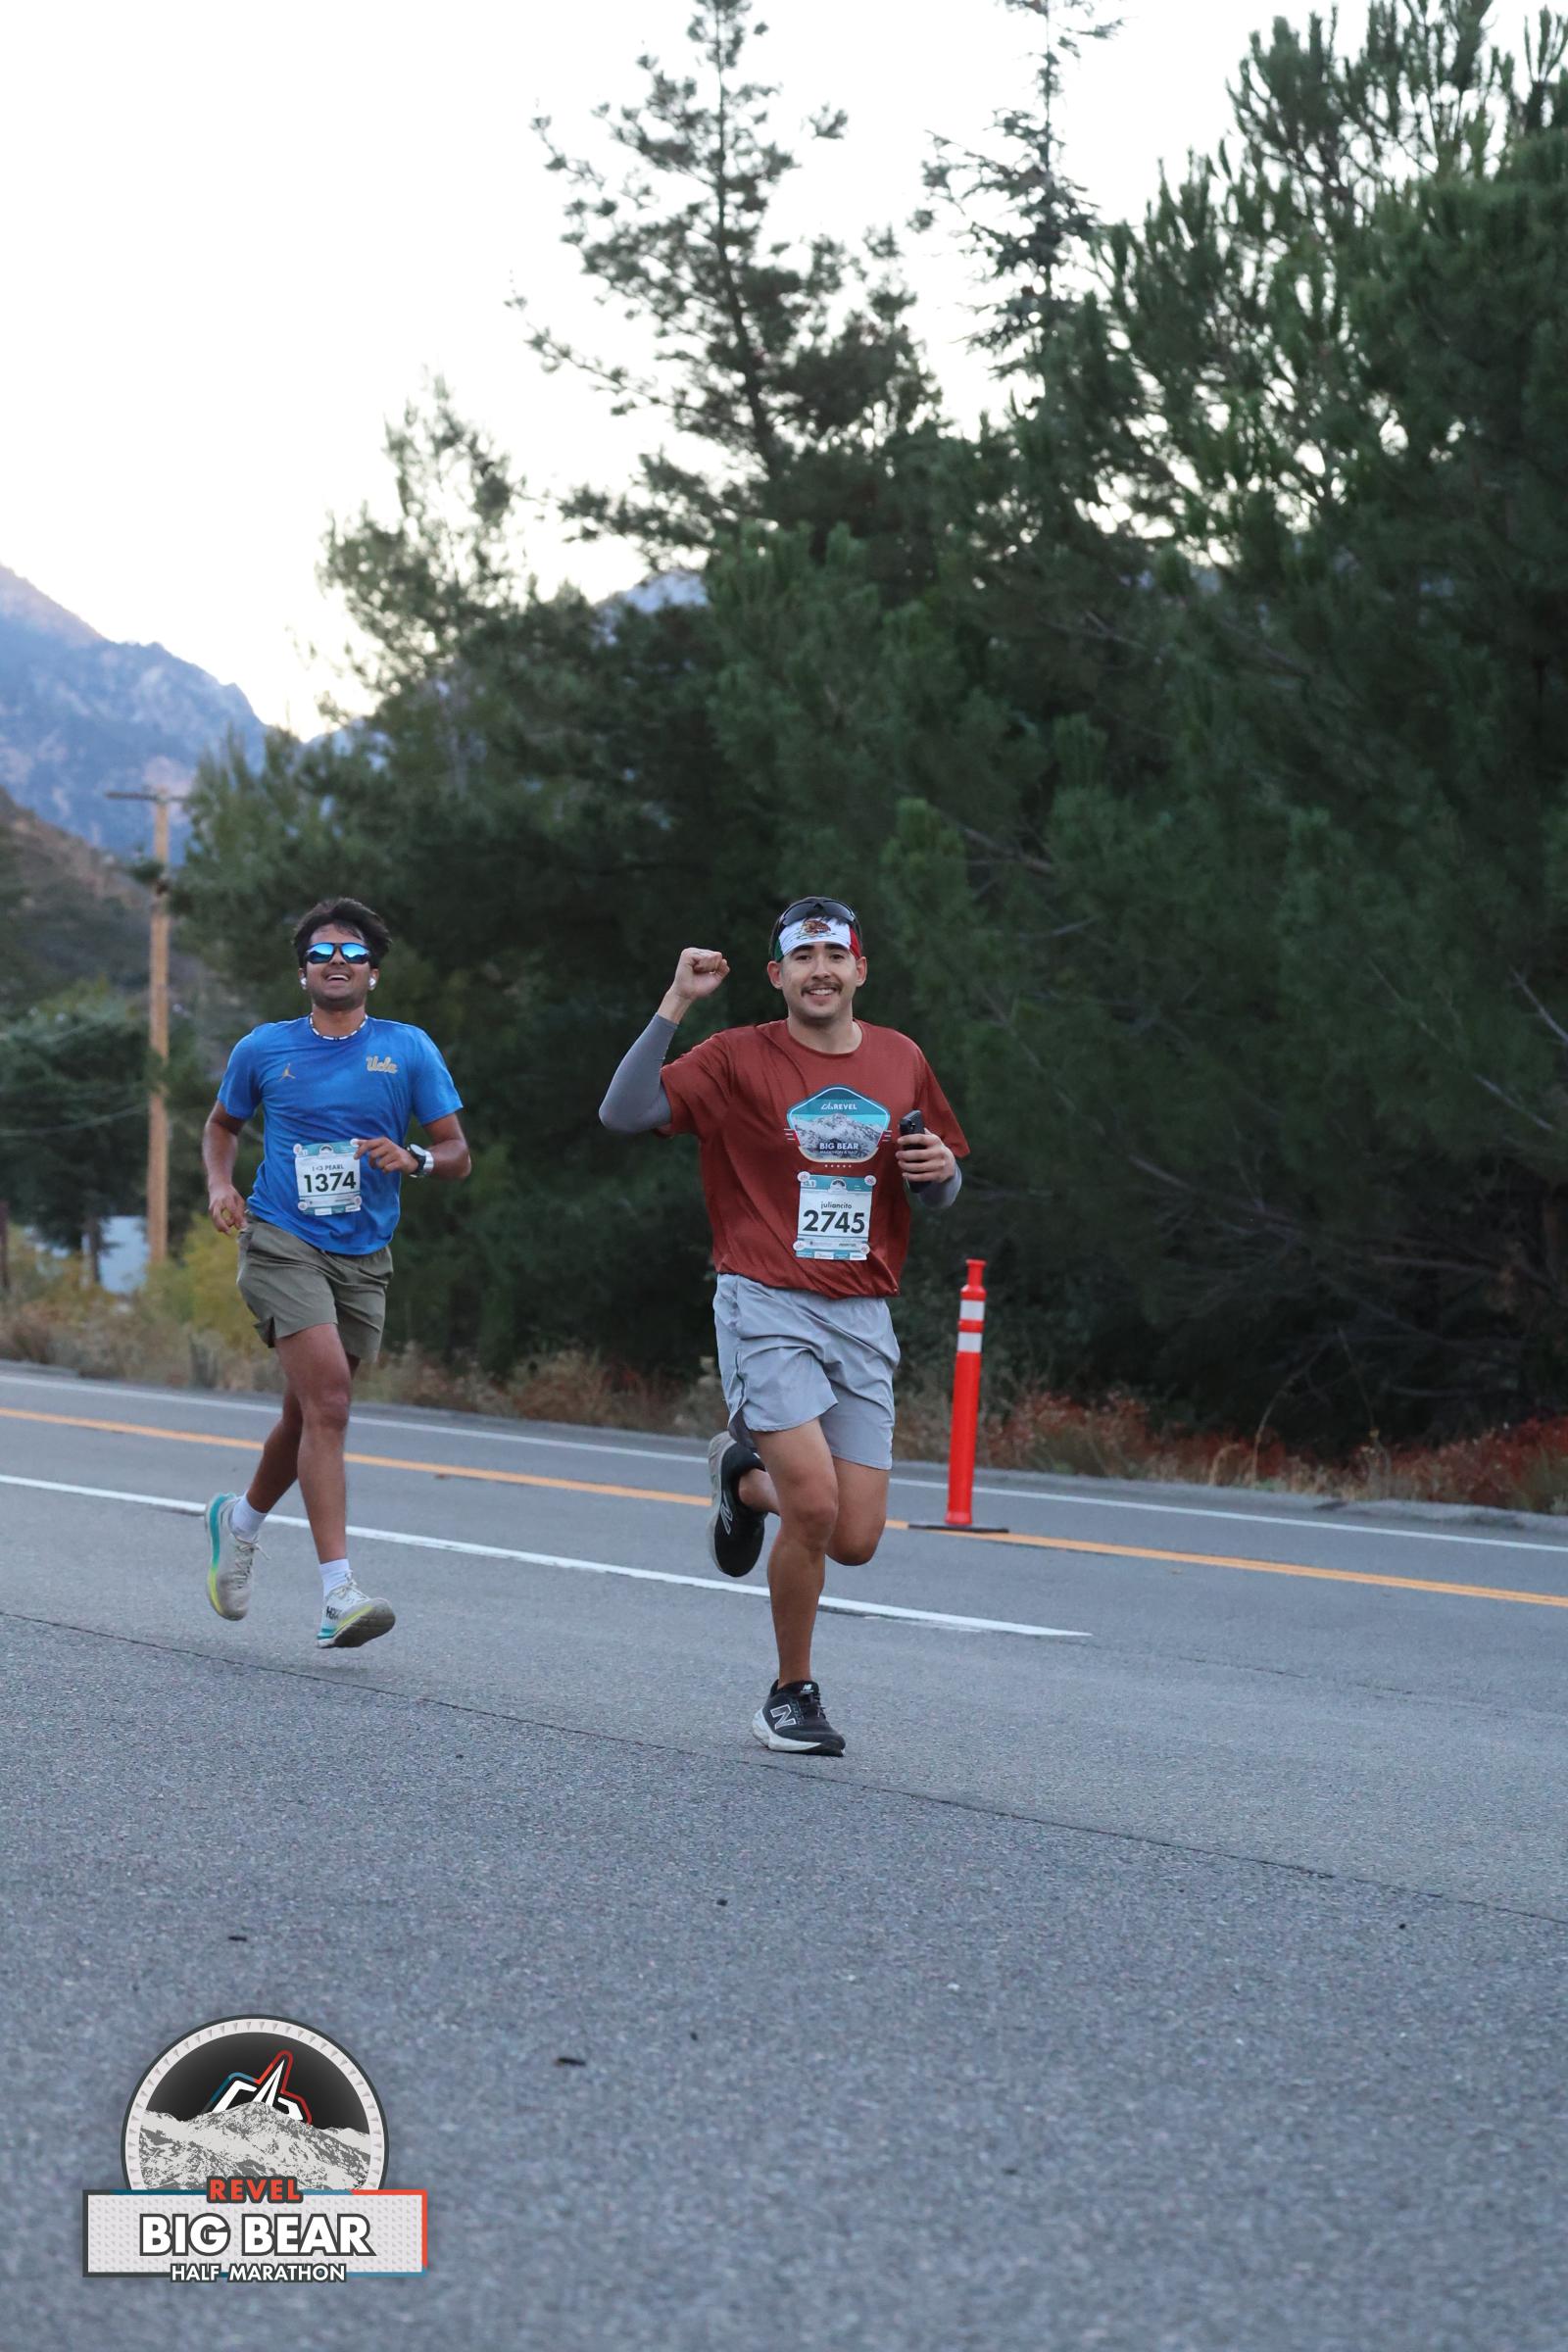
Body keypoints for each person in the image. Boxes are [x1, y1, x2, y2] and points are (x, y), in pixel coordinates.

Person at [600, 897, 968, 1754]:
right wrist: (676, 1001)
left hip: (863, 1311)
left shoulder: (902, 1058)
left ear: (860, 969)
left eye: (834, 956)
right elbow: (623, 1112)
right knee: (813, 1503)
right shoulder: (736, 1056)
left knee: (855, 1537)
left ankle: (740, 1481)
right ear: (777, 975)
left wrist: (940, 1171)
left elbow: (941, 1185)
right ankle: (790, 1693)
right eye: (802, 959)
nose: (820, 972)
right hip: (764, 1301)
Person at [201, 896, 471, 1647]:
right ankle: (337, 1593)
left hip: (363, 1255)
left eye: (353, 953)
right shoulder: (264, 1048)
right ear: (304, 973)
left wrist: (412, 1158)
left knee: (306, 1415)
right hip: (280, 1239)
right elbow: (222, 1126)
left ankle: (238, 1524)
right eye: (322, 953)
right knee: (330, 1403)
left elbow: (456, 1153)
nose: (337, 963)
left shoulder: (407, 1049)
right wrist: (220, 1186)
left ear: (373, 973)